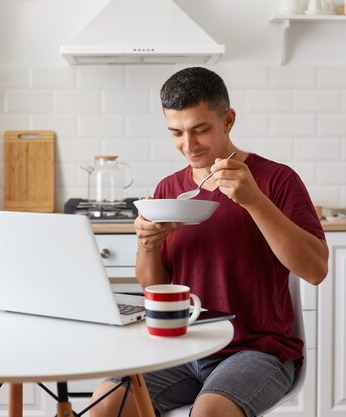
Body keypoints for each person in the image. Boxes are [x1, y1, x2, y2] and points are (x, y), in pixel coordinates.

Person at [90, 67, 328, 417]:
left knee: (208, 413)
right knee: (103, 407)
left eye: (199, 129)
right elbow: (154, 287)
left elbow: (316, 269)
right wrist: (147, 243)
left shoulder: (276, 180)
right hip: (181, 349)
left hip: (256, 350)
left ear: (228, 120)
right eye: (176, 132)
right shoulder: (168, 191)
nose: (188, 145)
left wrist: (254, 201)